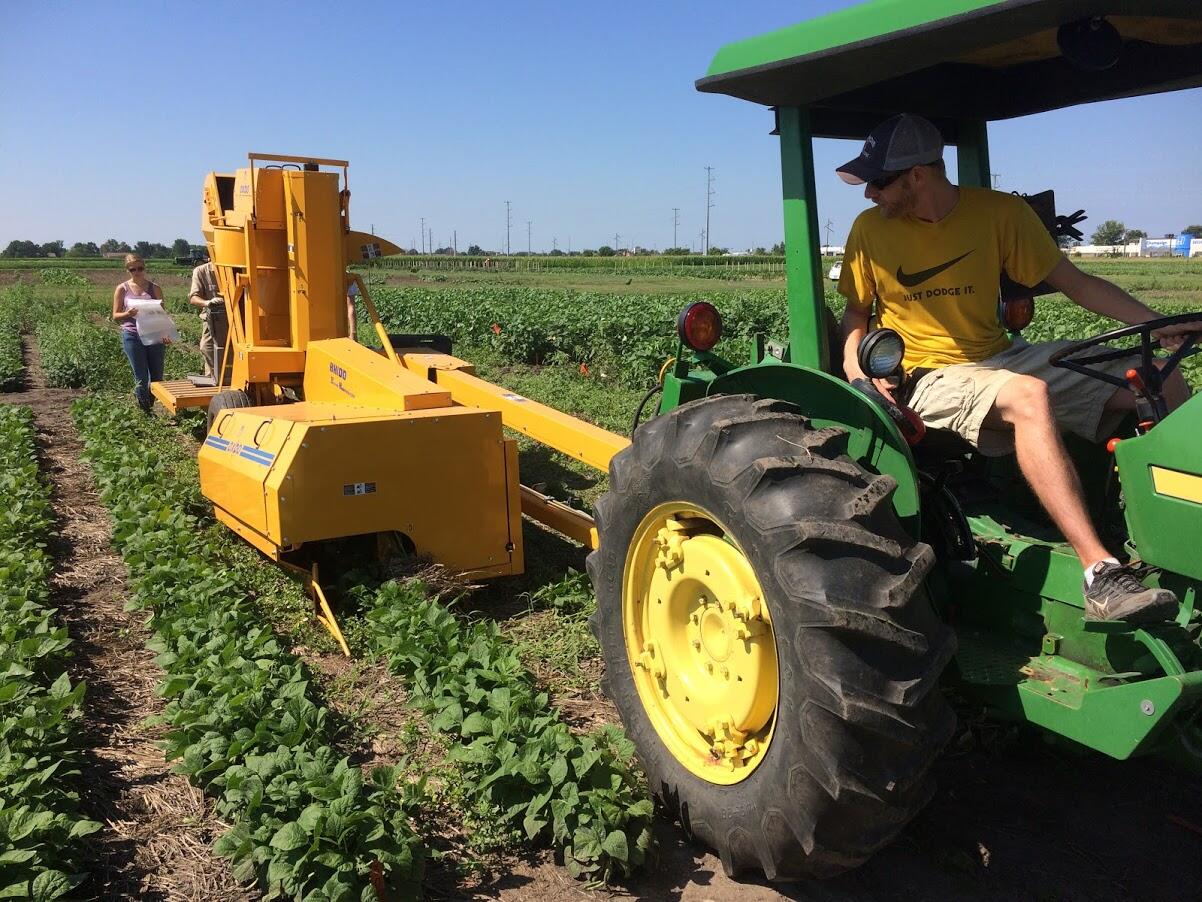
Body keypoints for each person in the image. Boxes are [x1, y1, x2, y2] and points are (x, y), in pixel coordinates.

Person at [835, 113, 1197, 624]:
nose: (870, 194)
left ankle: (1178, 537)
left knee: (1159, 371)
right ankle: (1101, 573)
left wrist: (1162, 324)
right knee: (1027, 395)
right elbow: (854, 315)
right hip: (926, 375)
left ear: (917, 174)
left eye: (878, 181)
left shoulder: (999, 213)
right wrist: (858, 375)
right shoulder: (869, 231)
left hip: (1001, 356)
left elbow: (1077, 282)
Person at [111, 253, 167, 413]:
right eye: (133, 269)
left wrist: (165, 334)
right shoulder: (122, 289)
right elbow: (115, 315)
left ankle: (150, 403)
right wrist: (128, 313)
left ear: (144, 268)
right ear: (127, 270)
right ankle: (146, 411)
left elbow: (162, 313)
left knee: (157, 376)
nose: (137, 272)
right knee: (141, 376)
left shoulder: (155, 288)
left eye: (140, 268)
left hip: (154, 334)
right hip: (133, 335)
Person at [187, 261, 227, 380]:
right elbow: (194, 298)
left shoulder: (235, 268)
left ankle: (229, 378)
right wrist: (208, 302)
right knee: (207, 347)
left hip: (238, 319)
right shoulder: (201, 271)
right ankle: (213, 378)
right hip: (213, 319)